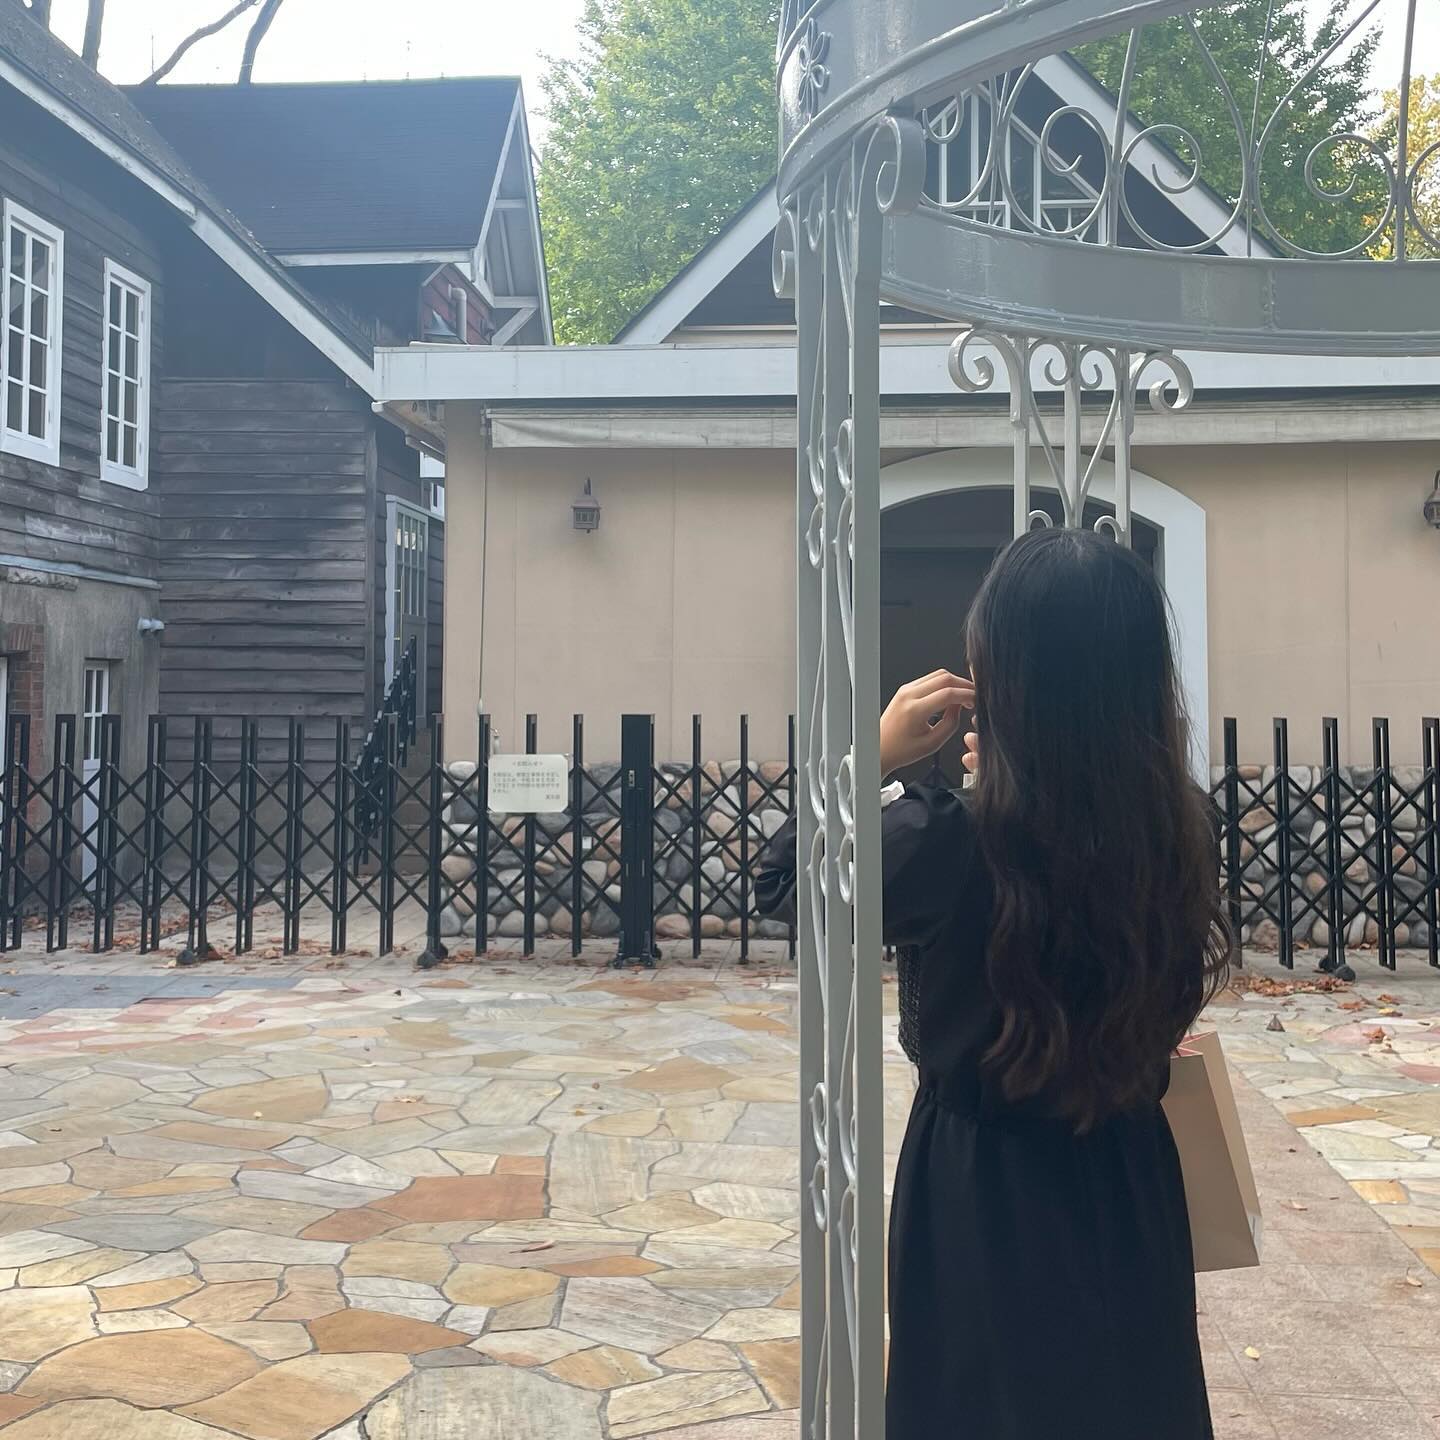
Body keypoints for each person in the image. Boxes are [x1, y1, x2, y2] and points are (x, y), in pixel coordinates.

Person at [756, 527, 1231, 1439]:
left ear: (1005, 679)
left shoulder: (944, 842)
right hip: (1126, 1175)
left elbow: (784, 885)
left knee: (978, 1401)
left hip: (981, 1190)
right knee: (1129, 1397)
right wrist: (1013, 788)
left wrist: (869, 753)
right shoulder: (1176, 830)